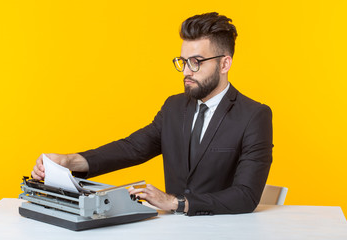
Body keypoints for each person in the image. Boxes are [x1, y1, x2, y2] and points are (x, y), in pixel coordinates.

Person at [32, 12, 273, 216]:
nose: (186, 71)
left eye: (197, 62)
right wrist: (68, 161)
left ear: (224, 64)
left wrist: (176, 203)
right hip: (171, 231)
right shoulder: (174, 107)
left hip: (225, 232)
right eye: (183, 61)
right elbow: (132, 148)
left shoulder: (254, 116)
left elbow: (246, 195)